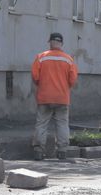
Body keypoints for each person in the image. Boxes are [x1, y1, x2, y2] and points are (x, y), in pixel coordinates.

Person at [31, 32, 78, 160]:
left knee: (41, 123)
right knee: (62, 123)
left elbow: (35, 77)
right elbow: (73, 80)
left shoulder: (41, 57)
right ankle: (62, 150)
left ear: (50, 42)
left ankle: (39, 151)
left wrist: (41, 85)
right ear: (61, 43)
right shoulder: (68, 59)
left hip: (44, 97)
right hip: (62, 97)